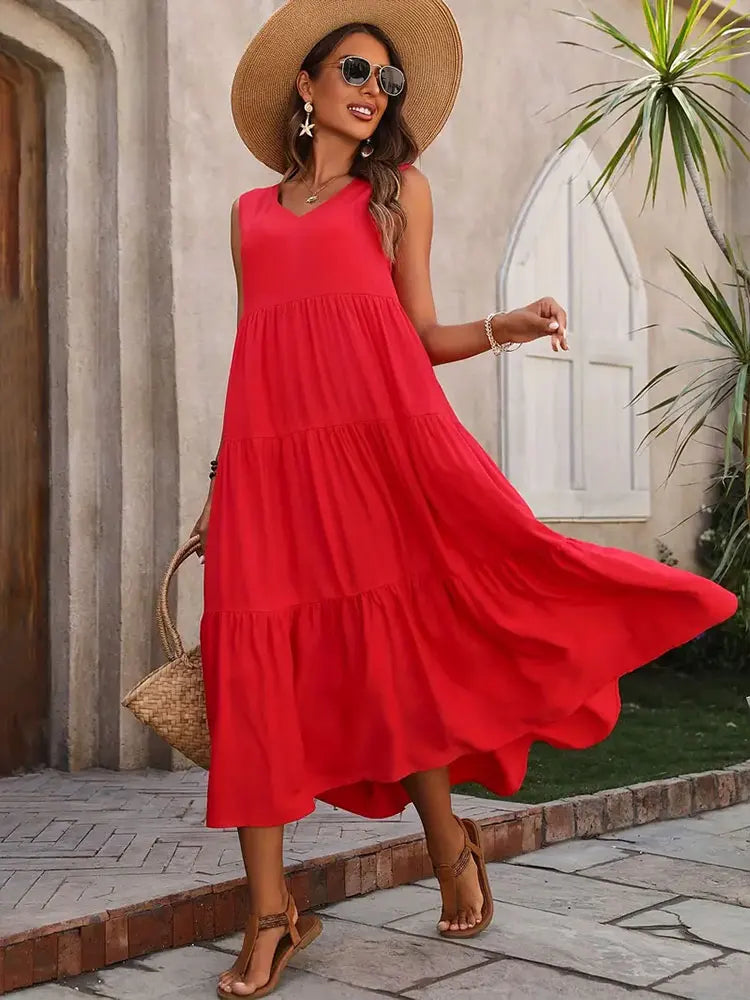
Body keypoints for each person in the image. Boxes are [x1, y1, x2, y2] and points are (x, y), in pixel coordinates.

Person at [191, 1, 738, 995]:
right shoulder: (249, 217)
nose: (372, 93)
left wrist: (509, 325)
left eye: (386, 82)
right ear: (306, 89)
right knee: (252, 672)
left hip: (377, 461)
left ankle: (449, 839)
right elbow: (252, 355)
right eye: (355, 72)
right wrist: (222, 485)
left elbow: (415, 337)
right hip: (272, 474)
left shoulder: (395, 198)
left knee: (393, 653)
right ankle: (270, 913)